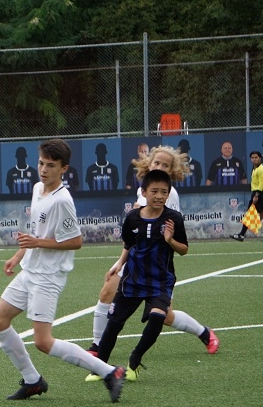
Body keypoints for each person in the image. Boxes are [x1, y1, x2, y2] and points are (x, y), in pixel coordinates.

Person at [0, 139, 125, 402]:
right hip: (30, 271)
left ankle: (109, 372)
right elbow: (36, 232)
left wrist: (36, 243)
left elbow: (76, 241)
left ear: (64, 169)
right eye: (41, 163)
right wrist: (19, 254)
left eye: (51, 165)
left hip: (48, 277)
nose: (43, 169)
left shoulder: (62, 200)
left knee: (43, 341)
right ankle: (32, 381)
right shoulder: (39, 188)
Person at [87, 145, 219, 372]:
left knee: (164, 316)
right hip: (135, 261)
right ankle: (97, 345)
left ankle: (204, 333)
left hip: (157, 267)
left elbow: (168, 229)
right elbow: (134, 234)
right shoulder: (144, 190)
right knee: (107, 290)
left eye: (166, 165)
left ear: (172, 170)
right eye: (157, 163)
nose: (160, 167)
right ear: (149, 164)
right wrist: (120, 261)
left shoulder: (170, 195)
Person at [94, 170, 189, 379]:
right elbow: (129, 244)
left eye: (164, 192)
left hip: (161, 281)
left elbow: (184, 250)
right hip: (133, 280)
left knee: (157, 317)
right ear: (143, 192)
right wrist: (119, 263)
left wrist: (170, 240)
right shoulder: (132, 218)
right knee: (114, 323)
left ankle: (135, 359)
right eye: (154, 191)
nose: (159, 196)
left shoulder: (174, 219)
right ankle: (99, 367)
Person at [230, 150, 263, 241]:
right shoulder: (255, 168)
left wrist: (256, 195)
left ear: (260, 158)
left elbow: (262, 184)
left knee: (260, 215)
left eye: (256, 158)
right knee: (253, 214)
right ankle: (242, 235)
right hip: (257, 193)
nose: (254, 159)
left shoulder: (261, 169)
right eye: (252, 158)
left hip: (259, 194)